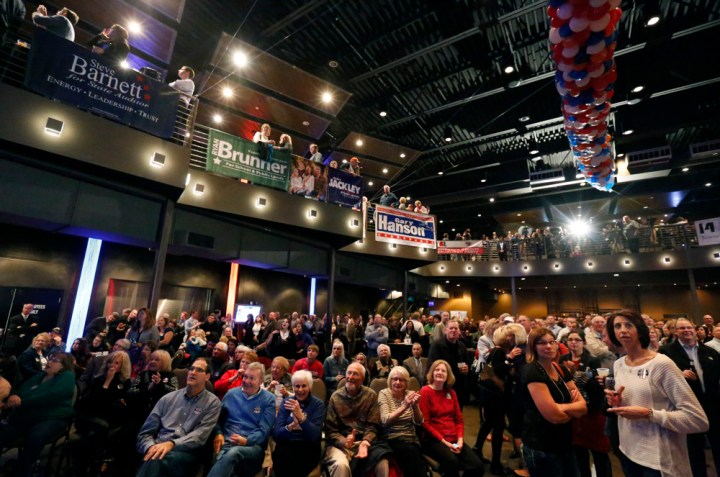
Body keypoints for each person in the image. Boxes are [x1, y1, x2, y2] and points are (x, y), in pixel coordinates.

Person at [605, 310, 708, 477]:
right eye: (617, 326)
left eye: (628, 325)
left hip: (657, 460)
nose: (622, 330)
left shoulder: (661, 364)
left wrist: (650, 414)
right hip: (628, 451)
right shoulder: (618, 365)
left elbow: (697, 420)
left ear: (639, 329)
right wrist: (618, 402)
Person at [136, 358, 222, 477]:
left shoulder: (213, 403)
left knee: (157, 459)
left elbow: (199, 436)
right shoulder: (168, 398)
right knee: (155, 456)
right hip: (158, 447)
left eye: (199, 370)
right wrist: (150, 447)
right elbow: (145, 433)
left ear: (207, 376)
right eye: (191, 369)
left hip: (186, 453)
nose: (193, 372)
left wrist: (171, 444)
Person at [659, 317, 720, 477]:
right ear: (675, 332)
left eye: (689, 327)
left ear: (694, 329)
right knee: (695, 449)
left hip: (713, 406)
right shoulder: (666, 352)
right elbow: (658, 377)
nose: (686, 330)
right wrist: (678, 373)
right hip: (688, 407)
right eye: (681, 328)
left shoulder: (709, 351)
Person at [521, 327, 587, 477]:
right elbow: (554, 417)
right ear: (534, 347)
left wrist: (559, 407)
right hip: (541, 446)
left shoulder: (561, 368)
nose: (549, 346)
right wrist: (571, 409)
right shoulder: (532, 371)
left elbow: (583, 407)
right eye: (542, 343)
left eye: (552, 342)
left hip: (565, 443)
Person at [0, 352, 75, 477]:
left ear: (62, 366)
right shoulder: (40, 375)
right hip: (31, 414)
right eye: (49, 358)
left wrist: (22, 401)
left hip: (55, 416)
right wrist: (14, 396)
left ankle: (20, 471)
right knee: (5, 431)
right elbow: (21, 389)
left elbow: (50, 396)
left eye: (54, 360)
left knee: (36, 436)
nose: (49, 362)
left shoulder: (67, 377)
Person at [324, 362, 393, 477]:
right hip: (340, 444)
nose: (350, 377)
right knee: (341, 465)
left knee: (383, 462)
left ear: (362, 379)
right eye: (349, 373)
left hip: (364, 441)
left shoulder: (370, 395)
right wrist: (344, 441)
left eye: (355, 374)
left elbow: (374, 425)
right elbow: (330, 430)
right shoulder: (335, 397)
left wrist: (365, 442)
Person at [208, 362, 276, 477]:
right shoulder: (231, 394)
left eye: (252, 378)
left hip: (253, 447)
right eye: (245, 376)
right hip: (228, 442)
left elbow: (264, 430)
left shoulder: (269, 399)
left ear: (261, 381)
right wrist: (219, 433)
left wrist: (247, 440)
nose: (246, 381)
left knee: (232, 453)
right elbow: (218, 420)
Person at [558, 331, 611, 477]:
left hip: (591, 411)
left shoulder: (592, 360)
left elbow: (596, 386)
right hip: (573, 412)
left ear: (583, 343)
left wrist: (574, 374)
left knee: (599, 453)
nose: (573, 342)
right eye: (570, 339)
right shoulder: (563, 358)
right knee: (579, 454)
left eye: (577, 340)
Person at [419, 359, 484, 477]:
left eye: (443, 371)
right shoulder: (425, 392)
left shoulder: (451, 392)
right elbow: (425, 424)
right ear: (432, 373)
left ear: (448, 375)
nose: (440, 372)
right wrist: (445, 442)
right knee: (452, 462)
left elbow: (458, 419)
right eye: (437, 370)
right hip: (434, 440)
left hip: (453, 439)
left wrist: (460, 439)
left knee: (477, 466)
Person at [272, 370, 325, 477]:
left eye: (304, 386)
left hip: (308, 447)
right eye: (297, 386)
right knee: (282, 456)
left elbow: (315, 436)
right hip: (286, 445)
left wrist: (301, 418)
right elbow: (276, 434)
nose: (300, 390)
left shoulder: (318, 404)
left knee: (296, 462)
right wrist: (291, 426)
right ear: (293, 387)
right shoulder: (286, 402)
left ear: (310, 387)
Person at [378, 366, 427, 477]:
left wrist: (415, 407)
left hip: (411, 439)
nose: (398, 382)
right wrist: (404, 406)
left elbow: (419, 422)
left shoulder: (409, 394)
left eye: (402, 380)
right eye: (395, 379)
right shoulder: (384, 393)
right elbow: (385, 420)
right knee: (411, 456)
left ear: (406, 383)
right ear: (390, 381)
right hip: (391, 438)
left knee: (412, 454)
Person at [428, 318, 470, 407]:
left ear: (459, 331)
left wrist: (467, 369)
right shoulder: (437, 345)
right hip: (442, 385)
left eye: (456, 328)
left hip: (458, 386)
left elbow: (467, 363)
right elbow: (431, 366)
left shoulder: (462, 346)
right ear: (445, 330)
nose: (453, 330)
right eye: (451, 328)